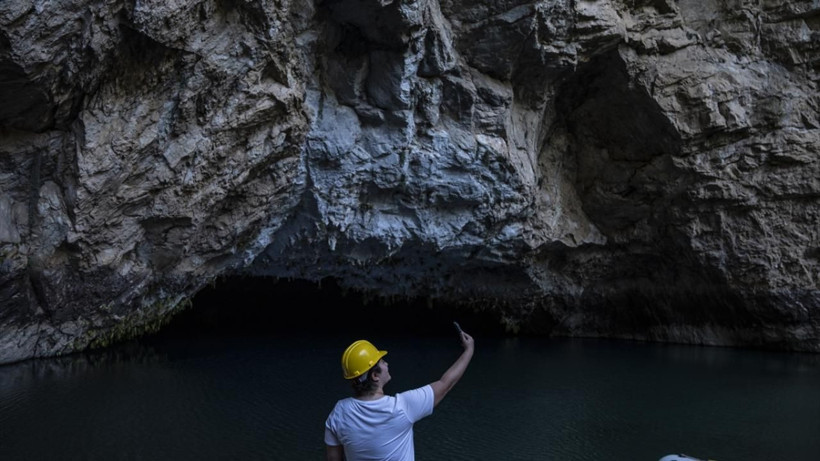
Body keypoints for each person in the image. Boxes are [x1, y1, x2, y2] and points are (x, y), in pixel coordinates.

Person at [324, 329, 475, 461]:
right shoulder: (401, 407)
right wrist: (469, 350)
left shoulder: (339, 413)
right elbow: (445, 384)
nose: (387, 364)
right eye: (382, 361)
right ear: (375, 376)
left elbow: (333, 459)